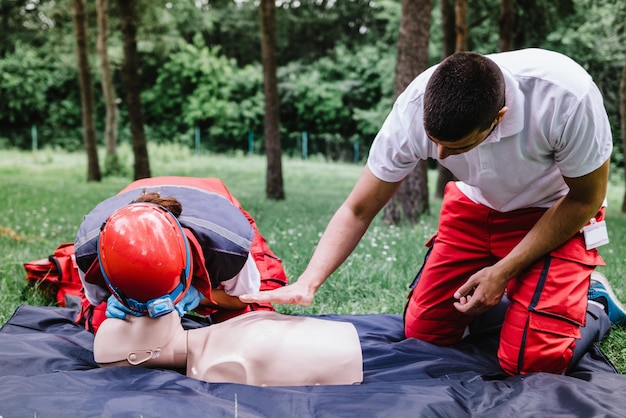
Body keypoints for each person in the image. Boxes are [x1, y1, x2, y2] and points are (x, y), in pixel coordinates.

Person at [240, 48, 626, 375]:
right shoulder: (413, 106)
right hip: (475, 207)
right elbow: (360, 208)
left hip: (555, 212)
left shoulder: (565, 96)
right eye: (434, 144)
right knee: (425, 333)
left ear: (499, 118)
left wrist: (503, 270)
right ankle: (522, 301)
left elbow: (584, 199)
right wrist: (309, 282)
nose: (440, 156)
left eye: (455, 148)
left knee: (532, 362)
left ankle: (592, 303)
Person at [74, 176, 288, 333]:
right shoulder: (87, 250)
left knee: (249, 323)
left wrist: (198, 296)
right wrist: (119, 302)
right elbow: (95, 300)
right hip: (134, 192)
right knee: (98, 325)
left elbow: (243, 299)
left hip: (211, 198)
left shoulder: (227, 245)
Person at [93, 310, 363, 387]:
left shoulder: (212, 335)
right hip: (342, 359)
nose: (135, 312)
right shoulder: (215, 366)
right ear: (137, 356)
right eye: (129, 323)